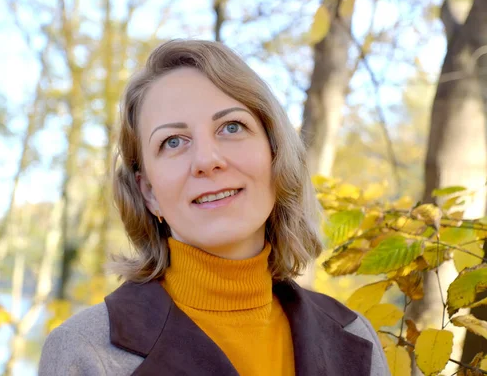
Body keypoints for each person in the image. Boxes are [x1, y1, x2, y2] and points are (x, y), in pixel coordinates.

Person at [38, 39, 389, 376]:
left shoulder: (356, 337)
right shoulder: (84, 351)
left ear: (274, 154)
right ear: (149, 192)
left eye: (231, 127)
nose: (207, 160)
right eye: (173, 142)